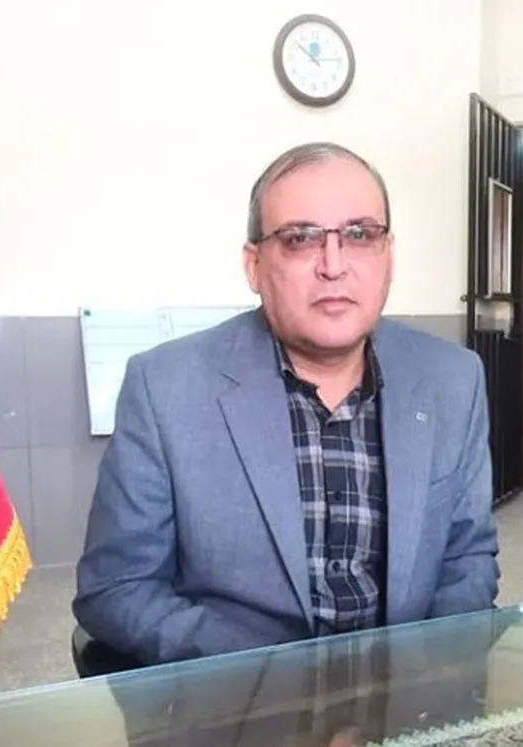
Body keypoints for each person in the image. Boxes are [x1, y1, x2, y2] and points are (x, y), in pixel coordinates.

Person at [72, 142, 500, 668]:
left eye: (360, 235)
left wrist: (419, 677)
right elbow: (116, 587)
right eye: (301, 238)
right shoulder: (164, 388)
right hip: (241, 698)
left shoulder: (453, 378)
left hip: (410, 694)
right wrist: (281, 680)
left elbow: (468, 559)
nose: (334, 266)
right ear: (254, 265)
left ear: (388, 255)